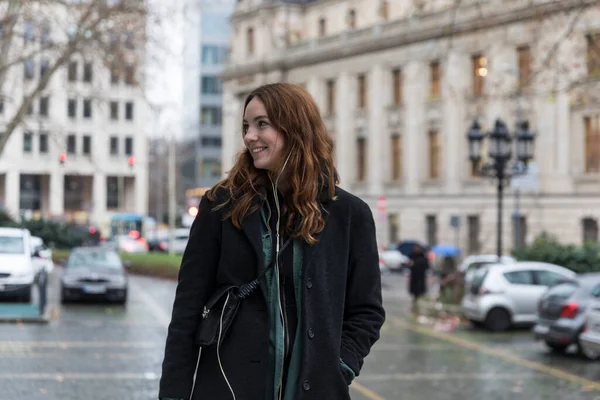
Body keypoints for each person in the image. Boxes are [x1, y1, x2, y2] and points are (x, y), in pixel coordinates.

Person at [159, 83, 385, 400]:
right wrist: (173, 393)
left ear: (295, 127)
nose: (250, 136)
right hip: (229, 387)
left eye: (262, 124)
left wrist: (339, 366)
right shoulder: (221, 206)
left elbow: (367, 311)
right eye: (246, 126)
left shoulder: (349, 214)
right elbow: (187, 310)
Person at [408, 245, 429, 315]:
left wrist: (416, 264)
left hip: (420, 276)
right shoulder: (412, 255)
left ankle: (418, 300)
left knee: (419, 290)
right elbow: (409, 265)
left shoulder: (422, 256)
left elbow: (426, 266)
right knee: (414, 290)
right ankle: (415, 300)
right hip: (414, 276)